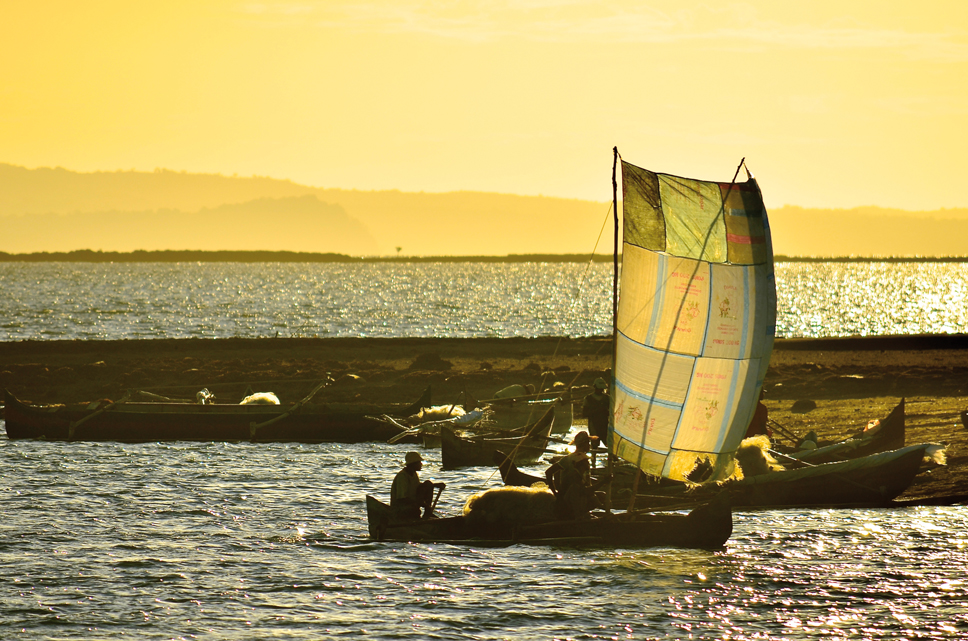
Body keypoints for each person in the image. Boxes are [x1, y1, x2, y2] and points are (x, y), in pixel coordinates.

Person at [544, 431, 610, 520]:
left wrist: (556, 491)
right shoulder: (576, 460)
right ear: (584, 444)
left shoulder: (573, 458)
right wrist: (555, 492)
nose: (590, 445)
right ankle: (578, 516)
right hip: (572, 497)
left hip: (578, 494)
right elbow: (584, 490)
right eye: (588, 443)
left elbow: (549, 472)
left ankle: (585, 512)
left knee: (601, 495)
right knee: (599, 496)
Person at [390, 452, 445, 520]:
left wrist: (435, 485)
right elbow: (402, 499)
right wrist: (422, 504)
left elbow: (418, 488)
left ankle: (427, 514)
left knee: (428, 484)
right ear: (413, 464)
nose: (421, 464)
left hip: (412, 507)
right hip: (401, 511)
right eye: (419, 462)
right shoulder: (402, 476)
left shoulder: (414, 474)